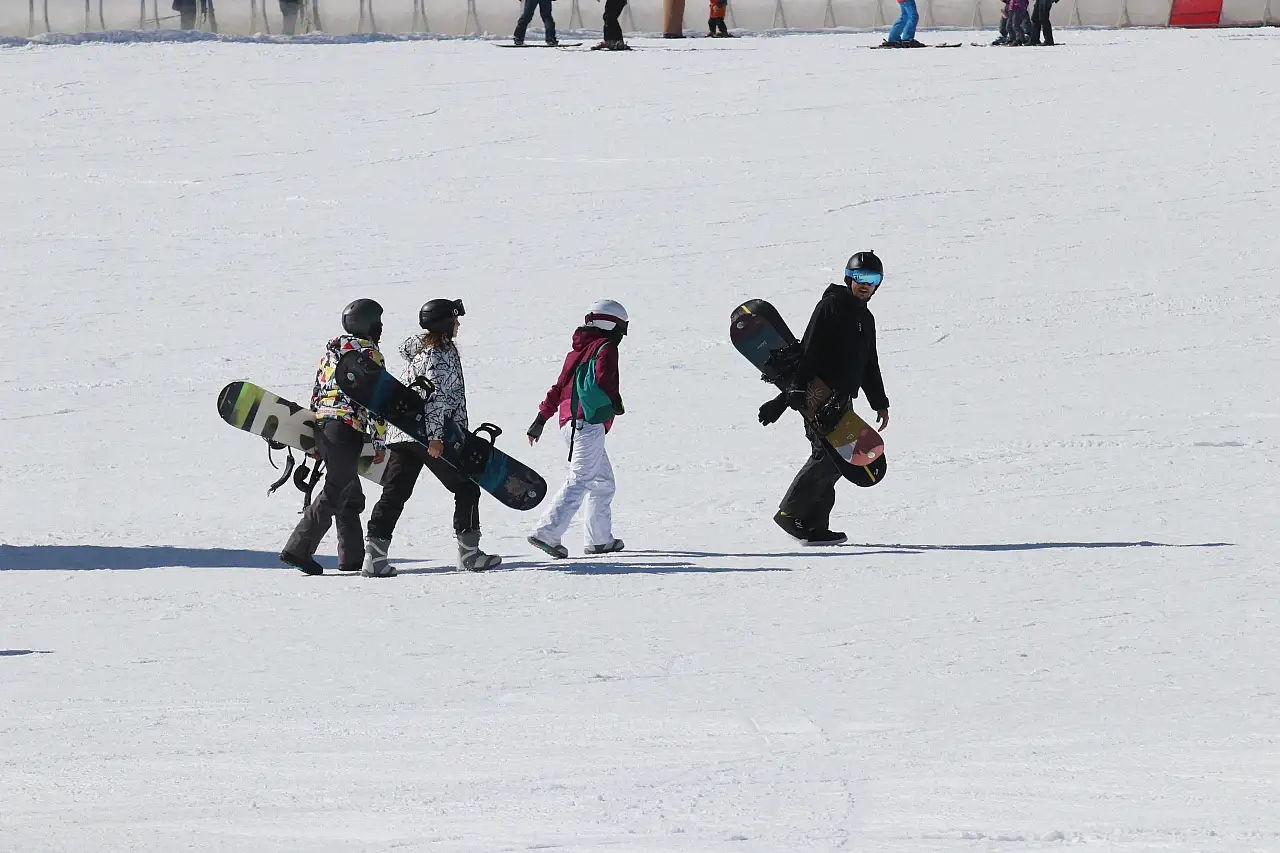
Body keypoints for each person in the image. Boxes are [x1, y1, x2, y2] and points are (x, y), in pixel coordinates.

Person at [757, 253, 891, 546]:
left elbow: (870, 363)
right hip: (818, 395)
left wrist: (879, 401)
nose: (865, 285)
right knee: (827, 457)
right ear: (848, 278)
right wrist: (793, 393)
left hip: (842, 401)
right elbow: (810, 349)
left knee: (835, 461)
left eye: (872, 280)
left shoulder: (865, 318)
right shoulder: (831, 307)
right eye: (860, 278)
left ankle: (815, 527)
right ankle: (790, 512)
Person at [363, 299, 502, 577]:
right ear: (446, 325)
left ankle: (374, 558)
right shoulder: (440, 355)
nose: (459, 325)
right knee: (467, 485)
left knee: (395, 492)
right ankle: (470, 554)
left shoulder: (422, 352)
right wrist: (436, 438)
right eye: (455, 321)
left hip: (403, 434)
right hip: (427, 434)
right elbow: (435, 399)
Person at [280, 299, 388, 575]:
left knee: (350, 495)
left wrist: (313, 438)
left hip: (324, 427)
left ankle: (351, 558)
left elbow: (317, 394)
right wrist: (378, 441)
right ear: (368, 325)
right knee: (335, 490)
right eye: (378, 322)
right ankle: (298, 549)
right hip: (346, 429)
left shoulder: (330, 354)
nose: (381, 327)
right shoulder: (369, 355)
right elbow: (376, 400)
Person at [526, 300, 628, 559]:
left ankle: (599, 539)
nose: (622, 335)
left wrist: (541, 419)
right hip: (588, 424)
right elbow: (604, 377)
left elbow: (558, 387)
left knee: (603, 482)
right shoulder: (606, 347)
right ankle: (546, 532)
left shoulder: (578, 352)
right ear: (611, 324)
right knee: (581, 479)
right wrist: (615, 402)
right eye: (622, 328)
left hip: (569, 423)